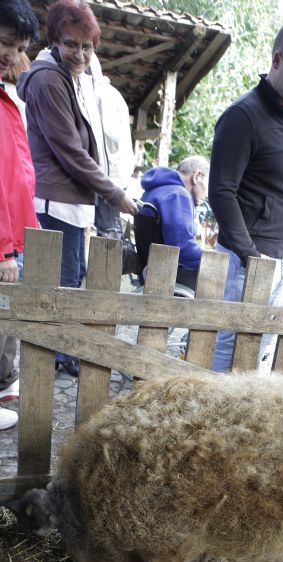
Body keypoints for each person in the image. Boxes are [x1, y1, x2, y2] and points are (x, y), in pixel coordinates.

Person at [17, 0, 137, 376]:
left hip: (71, 201)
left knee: (71, 275)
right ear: (55, 40)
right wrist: (114, 194)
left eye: (87, 47)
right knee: (62, 282)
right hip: (55, 201)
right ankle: (55, 356)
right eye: (71, 44)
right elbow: (70, 152)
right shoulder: (48, 80)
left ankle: (58, 353)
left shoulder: (72, 77)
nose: (80, 54)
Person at [208, 17, 283, 372]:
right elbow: (221, 192)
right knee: (229, 344)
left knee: (264, 344)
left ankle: (245, 408)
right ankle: (215, 406)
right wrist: (249, 255)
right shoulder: (242, 117)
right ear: (276, 60)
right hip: (244, 260)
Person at [0, 0, 40, 430]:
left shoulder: (4, 96)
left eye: (20, 48)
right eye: (5, 42)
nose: (11, 55)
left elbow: (15, 175)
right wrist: (4, 251)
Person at [139, 156, 210, 292]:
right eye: (208, 186)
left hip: (151, 267)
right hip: (169, 274)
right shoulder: (178, 195)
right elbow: (182, 248)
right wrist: (210, 258)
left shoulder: (155, 190)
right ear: (197, 176)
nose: (206, 194)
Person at [89, 52, 135, 239]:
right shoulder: (108, 94)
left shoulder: (101, 95)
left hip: (109, 176)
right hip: (110, 176)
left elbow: (108, 136)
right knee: (107, 232)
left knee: (108, 234)